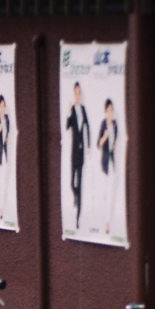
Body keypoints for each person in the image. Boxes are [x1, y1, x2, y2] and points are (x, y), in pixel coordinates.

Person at [65, 82, 91, 229]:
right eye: (76, 93)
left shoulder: (84, 109)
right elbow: (68, 126)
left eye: (79, 93)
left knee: (79, 184)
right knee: (71, 183)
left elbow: (87, 127)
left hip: (81, 152)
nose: (78, 95)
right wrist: (69, 112)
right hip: (73, 151)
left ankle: (77, 218)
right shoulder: (73, 111)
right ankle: (75, 196)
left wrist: (88, 146)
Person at [96, 99, 119, 235]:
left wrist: (115, 144)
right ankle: (103, 219)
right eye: (108, 111)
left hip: (113, 161)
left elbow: (117, 139)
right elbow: (98, 145)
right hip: (104, 162)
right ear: (105, 112)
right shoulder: (103, 124)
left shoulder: (115, 125)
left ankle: (107, 223)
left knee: (111, 193)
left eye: (112, 110)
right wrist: (104, 137)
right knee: (104, 193)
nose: (110, 113)